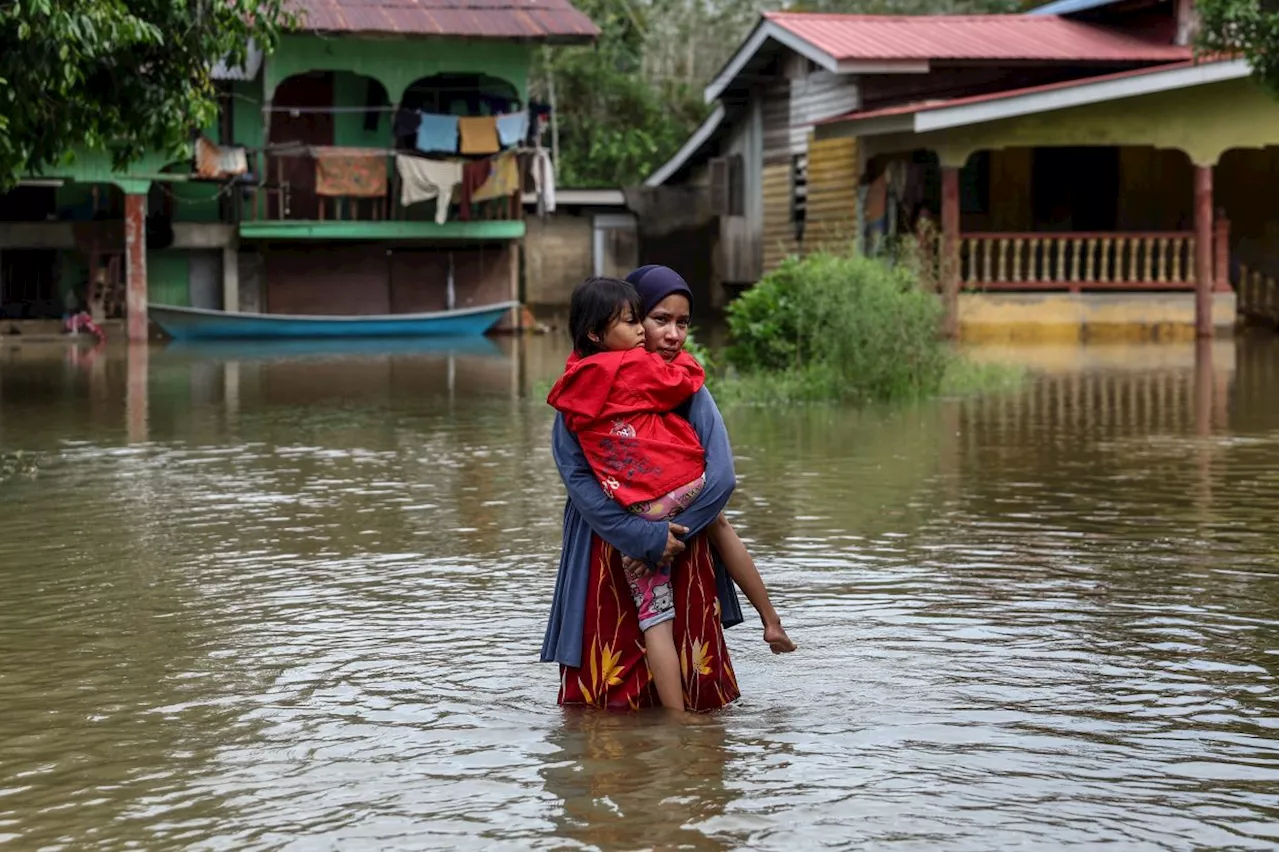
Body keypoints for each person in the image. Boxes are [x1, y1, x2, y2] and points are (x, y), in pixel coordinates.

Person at [542, 265, 790, 714]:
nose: (672, 334)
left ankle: (681, 733)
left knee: (684, 660)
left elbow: (721, 478)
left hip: (679, 543)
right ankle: (665, 738)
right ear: (626, 321)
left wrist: (669, 534)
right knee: (605, 706)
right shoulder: (584, 389)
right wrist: (640, 536)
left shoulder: (687, 388)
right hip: (606, 541)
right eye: (657, 320)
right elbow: (576, 476)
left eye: (683, 323)